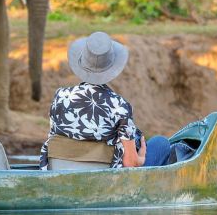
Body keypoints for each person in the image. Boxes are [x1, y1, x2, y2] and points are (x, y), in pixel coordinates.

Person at [38, 31, 173, 169]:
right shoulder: (119, 105)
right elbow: (130, 163)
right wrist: (141, 158)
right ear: (112, 68)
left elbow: (55, 136)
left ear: (81, 63)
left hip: (58, 171)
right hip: (105, 180)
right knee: (161, 143)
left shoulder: (60, 96)